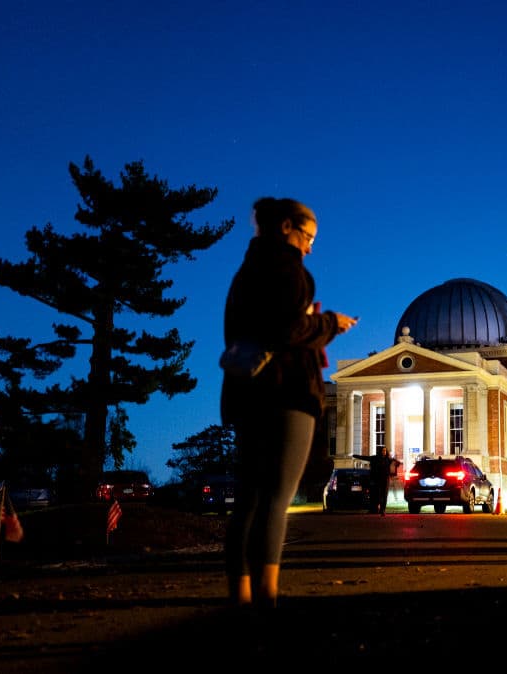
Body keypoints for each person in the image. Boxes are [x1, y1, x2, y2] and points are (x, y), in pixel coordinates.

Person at [220, 196, 359, 609]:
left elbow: (246, 332)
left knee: (248, 498)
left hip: (247, 392)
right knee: (276, 499)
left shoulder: (244, 273)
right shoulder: (288, 269)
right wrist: (329, 323)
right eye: (308, 237)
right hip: (288, 393)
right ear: (286, 228)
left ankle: (241, 595)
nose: (310, 248)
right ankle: (267, 596)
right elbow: (288, 329)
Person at [354, 446, 402, 515]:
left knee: (384, 495)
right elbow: (365, 458)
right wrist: (355, 456)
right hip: (376, 479)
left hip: (385, 479)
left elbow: (397, 463)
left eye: (385, 451)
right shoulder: (375, 458)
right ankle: (374, 509)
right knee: (375, 494)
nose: (384, 452)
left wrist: (394, 464)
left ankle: (382, 510)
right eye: (383, 450)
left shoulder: (388, 459)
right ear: (379, 451)